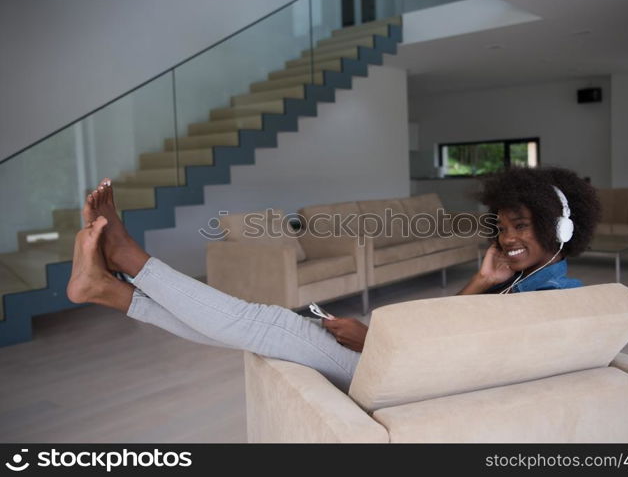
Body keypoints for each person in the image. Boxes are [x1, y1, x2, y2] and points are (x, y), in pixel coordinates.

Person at [67, 167, 599, 392]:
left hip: (408, 385)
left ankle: (130, 261)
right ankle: (111, 290)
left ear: (560, 229)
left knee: (269, 324)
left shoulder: (547, 297)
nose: (508, 240)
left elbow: (462, 367)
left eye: (522, 227)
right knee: (263, 329)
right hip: (408, 370)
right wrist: (482, 281)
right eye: (503, 227)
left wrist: (374, 340)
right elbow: (448, 332)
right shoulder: (526, 283)